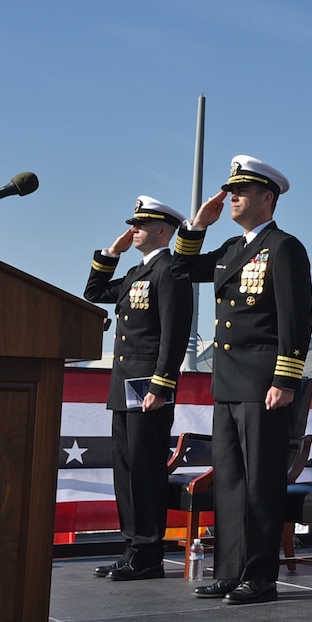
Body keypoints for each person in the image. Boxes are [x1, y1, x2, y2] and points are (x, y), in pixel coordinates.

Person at [171, 155, 312, 605]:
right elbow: (179, 269)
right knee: (230, 482)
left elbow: (297, 318)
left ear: (267, 198)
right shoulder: (232, 248)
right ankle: (230, 571)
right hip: (228, 383)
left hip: (263, 384)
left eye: (242, 191)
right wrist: (197, 226)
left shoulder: (284, 247)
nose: (232, 196)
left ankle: (260, 576)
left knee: (260, 482)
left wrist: (286, 379)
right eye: (230, 190)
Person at [84, 196, 193, 581]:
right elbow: (93, 293)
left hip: (149, 388)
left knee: (145, 471)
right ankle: (132, 548)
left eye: (141, 225)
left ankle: (148, 554)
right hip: (123, 386)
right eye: (133, 224)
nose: (134, 230)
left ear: (163, 230)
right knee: (126, 470)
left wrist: (162, 385)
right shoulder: (134, 272)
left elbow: (174, 334)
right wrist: (111, 253)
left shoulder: (172, 271)